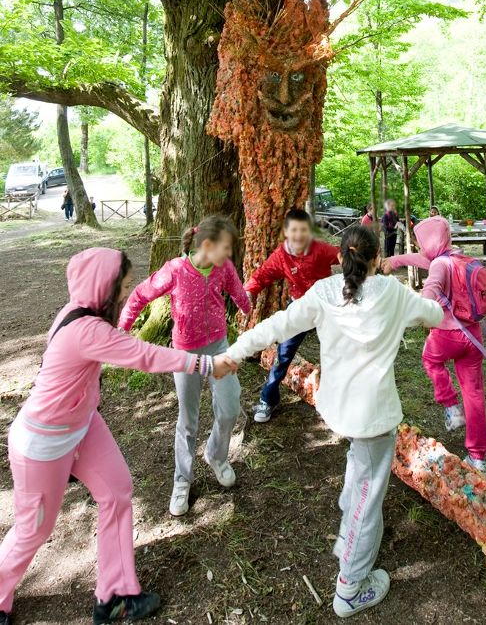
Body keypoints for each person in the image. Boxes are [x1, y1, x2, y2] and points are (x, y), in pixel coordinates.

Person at [0, 247, 236, 625]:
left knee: (117, 492)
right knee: (34, 529)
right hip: (42, 442)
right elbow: (144, 355)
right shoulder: (86, 328)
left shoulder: (84, 313)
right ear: (103, 288)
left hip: (82, 425)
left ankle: (114, 596)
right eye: (122, 287)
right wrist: (207, 363)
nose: (126, 294)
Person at [227, 225, 442, 618]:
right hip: (372, 418)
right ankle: (349, 588)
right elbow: (435, 314)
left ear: (340, 258)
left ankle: (348, 540)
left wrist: (234, 352)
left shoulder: (324, 293)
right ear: (377, 259)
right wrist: (434, 290)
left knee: (360, 474)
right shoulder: (392, 293)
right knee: (367, 492)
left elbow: (276, 326)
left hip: (339, 411)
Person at [119, 215, 250, 517]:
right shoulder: (175, 270)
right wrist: (122, 326)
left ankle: (217, 456)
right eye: (226, 248)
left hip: (219, 347)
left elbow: (237, 291)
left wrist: (249, 311)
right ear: (207, 245)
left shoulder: (224, 268)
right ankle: (182, 480)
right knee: (188, 419)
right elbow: (140, 294)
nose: (229, 255)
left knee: (229, 407)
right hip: (186, 355)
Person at [382, 216, 486, 473]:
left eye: (421, 244)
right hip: (473, 337)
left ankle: (451, 406)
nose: (419, 249)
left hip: (447, 335)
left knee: (431, 360)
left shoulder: (439, 266)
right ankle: (478, 458)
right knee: (474, 394)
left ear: (430, 244)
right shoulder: (455, 257)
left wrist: (407, 315)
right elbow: (421, 260)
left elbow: (429, 292)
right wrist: (395, 261)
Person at [244, 208, 340, 423]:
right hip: (298, 307)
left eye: (304, 230)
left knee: (337, 352)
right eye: (294, 230)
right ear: (287, 232)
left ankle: (337, 400)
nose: (299, 235)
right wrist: (249, 291)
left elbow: (344, 255)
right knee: (283, 354)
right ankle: (268, 399)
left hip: (327, 309)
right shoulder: (281, 256)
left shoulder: (321, 250)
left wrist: (361, 257)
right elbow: (263, 275)